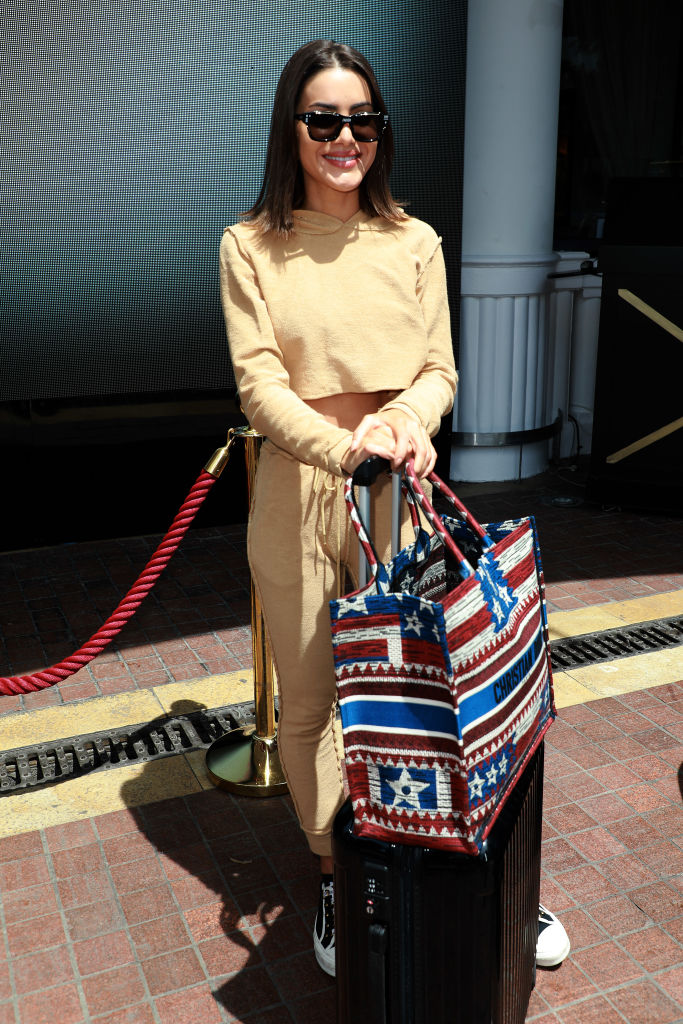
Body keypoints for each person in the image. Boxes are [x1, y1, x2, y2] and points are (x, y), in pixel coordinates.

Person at [220, 38, 569, 977]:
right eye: (323, 119)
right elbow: (258, 387)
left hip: (401, 501)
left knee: (425, 690)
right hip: (299, 498)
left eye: (361, 120)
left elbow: (437, 369)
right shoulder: (251, 245)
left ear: (380, 130)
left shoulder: (414, 241)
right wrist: (349, 449)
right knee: (309, 706)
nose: (344, 137)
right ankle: (343, 871)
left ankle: (470, 871)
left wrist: (408, 424)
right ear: (291, 128)